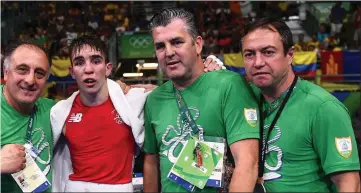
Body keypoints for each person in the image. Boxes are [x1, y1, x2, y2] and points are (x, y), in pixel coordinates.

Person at [50, 35, 224, 192]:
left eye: (96, 61)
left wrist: (209, 69)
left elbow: (178, 93)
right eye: (79, 62)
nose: (88, 69)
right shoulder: (59, 113)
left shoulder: (133, 101)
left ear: (108, 68)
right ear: (72, 72)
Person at [143, 8, 259, 192]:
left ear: (197, 45)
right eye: (160, 46)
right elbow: (151, 161)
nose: (168, 52)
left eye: (177, 42)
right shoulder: (154, 99)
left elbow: (247, 162)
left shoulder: (229, 85)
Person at [241, 17, 360, 192]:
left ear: (290, 55)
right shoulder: (244, 99)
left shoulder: (323, 107)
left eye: (268, 52)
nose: (258, 62)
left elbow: (350, 183)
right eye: (249, 54)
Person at [1, 42, 55, 193]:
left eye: (39, 73)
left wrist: (116, 91)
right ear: (6, 72)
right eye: (22, 70)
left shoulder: (53, 110)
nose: (30, 80)